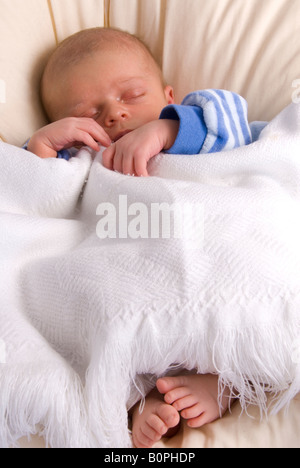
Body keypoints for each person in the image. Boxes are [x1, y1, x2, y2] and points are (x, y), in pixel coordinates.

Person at [24, 27, 266, 448]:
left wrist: (165, 132)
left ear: (169, 96)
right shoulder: (83, 157)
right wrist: (43, 146)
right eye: (88, 113)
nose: (114, 115)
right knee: (100, 326)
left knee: (251, 301)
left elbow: (237, 127)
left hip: (209, 244)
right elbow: (37, 199)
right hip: (132, 267)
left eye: (131, 95)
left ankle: (224, 380)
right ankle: (143, 401)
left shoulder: (197, 121)